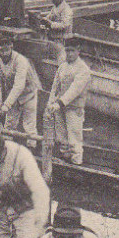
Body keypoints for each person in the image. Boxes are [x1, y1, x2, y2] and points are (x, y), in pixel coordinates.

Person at [43, 38, 91, 166]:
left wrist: (59, 103)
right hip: (60, 107)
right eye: (67, 51)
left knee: (74, 137)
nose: (69, 54)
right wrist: (50, 102)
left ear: (78, 51)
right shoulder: (63, 66)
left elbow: (74, 90)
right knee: (61, 137)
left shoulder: (83, 69)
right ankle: (65, 158)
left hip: (74, 108)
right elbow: (55, 87)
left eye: (72, 51)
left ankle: (77, 163)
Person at [0, 35, 42, 138]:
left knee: (29, 127)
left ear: (11, 47)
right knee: (9, 126)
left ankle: (31, 149)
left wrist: (6, 105)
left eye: (7, 47)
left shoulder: (21, 61)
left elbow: (19, 85)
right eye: (1, 48)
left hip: (29, 94)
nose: (4, 52)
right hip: (13, 95)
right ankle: (7, 149)